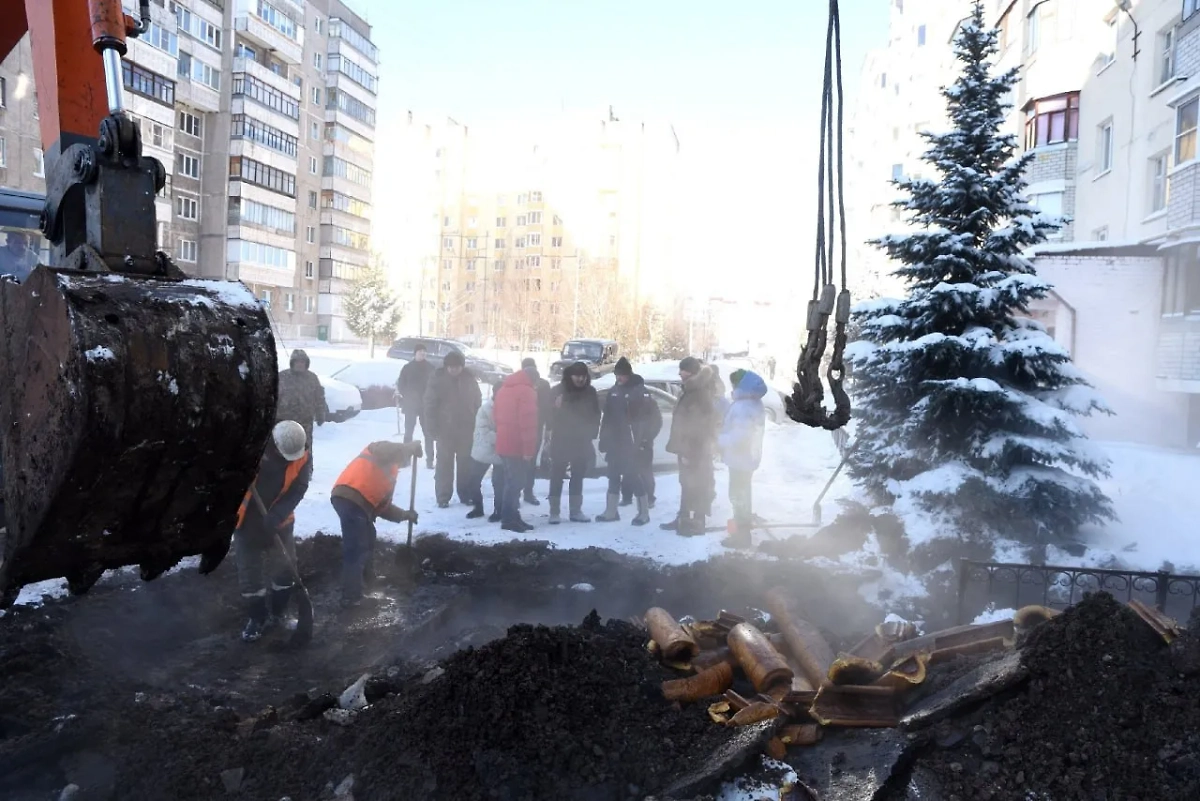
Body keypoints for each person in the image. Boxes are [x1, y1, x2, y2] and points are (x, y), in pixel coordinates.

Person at [234, 421, 312, 642]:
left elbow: (299, 488)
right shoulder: (253, 447)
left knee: (286, 568)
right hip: (246, 522)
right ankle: (257, 618)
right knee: (250, 573)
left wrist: (277, 515)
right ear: (275, 445)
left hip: (280, 521)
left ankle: (279, 613)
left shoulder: (302, 454)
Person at [330, 440, 422, 607]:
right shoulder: (381, 450)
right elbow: (386, 449)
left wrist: (404, 515)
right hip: (348, 497)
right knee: (356, 547)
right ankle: (352, 597)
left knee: (369, 535)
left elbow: (382, 508)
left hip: (358, 506)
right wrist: (409, 447)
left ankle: (368, 578)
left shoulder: (391, 475)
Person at [596, 357, 661, 526]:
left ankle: (643, 513)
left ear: (629, 374)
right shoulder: (614, 392)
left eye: (623, 375)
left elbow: (654, 419)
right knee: (613, 476)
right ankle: (611, 511)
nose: (619, 378)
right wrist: (604, 438)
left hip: (633, 443)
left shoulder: (640, 391)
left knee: (633, 476)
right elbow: (607, 418)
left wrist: (645, 439)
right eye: (617, 375)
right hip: (615, 443)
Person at [662, 356, 719, 536]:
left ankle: (697, 521)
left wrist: (689, 451)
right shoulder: (690, 390)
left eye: (683, 370)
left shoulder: (699, 393)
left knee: (697, 483)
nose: (680, 373)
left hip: (695, 449)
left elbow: (700, 426)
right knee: (686, 483)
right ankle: (684, 517)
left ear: (692, 372)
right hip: (687, 447)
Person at [423, 349, 482, 508]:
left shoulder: (470, 380)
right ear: (446, 367)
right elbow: (429, 405)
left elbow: (477, 401)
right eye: (450, 367)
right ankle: (443, 496)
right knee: (444, 465)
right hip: (445, 430)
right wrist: (432, 428)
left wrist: (477, 423)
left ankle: (465, 494)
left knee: (465, 464)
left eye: (456, 367)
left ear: (462, 367)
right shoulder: (437, 380)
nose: (453, 369)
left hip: (466, 429)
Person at [718, 370, 769, 549]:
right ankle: (741, 530)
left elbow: (740, 437)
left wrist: (718, 440)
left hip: (740, 459)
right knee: (743, 495)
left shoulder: (743, 407)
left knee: (738, 496)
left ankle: (741, 537)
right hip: (747, 458)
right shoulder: (752, 403)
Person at [547, 361, 601, 524]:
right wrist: (555, 409)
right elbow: (547, 415)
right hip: (561, 439)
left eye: (584, 376)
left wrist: (592, 433)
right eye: (577, 376)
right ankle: (554, 512)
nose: (581, 379)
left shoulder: (590, 392)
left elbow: (596, 414)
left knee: (578, 476)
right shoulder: (557, 390)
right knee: (557, 475)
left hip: (581, 440)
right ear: (570, 376)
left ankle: (575, 510)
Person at [493, 366, 539, 532]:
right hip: (516, 444)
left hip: (503, 442)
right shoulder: (527, 392)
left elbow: (495, 415)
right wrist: (528, 450)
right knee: (516, 483)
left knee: (510, 481)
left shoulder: (503, 389)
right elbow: (528, 424)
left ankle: (512, 516)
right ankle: (508, 519)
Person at [469, 379, 505, 521]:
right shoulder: (485, 409)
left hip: (502, 452)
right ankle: (478, 507)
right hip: (483, 450)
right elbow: (483, 430)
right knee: (473, 480)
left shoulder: (511, 408)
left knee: (499, 483)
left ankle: (498, 510)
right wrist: (502, 437)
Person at [276, 349, 327, 450]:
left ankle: (306, 466)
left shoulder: (312, 378)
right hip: (285, 423)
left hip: (305, 423)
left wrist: (320, 413)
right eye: (297, 361)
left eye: (302, 361)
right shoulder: (282, 377)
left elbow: (319, 397)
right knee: (285, 450)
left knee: (305, 450)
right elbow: (273, 398)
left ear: (306, 363)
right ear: (292, 362)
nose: (300, 364)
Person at [520, 358, 554, 506]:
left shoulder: (544, 385)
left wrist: (549, 428)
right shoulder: (517, 384)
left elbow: (547, 408)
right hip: (519, 427)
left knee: (531, 462)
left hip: (536, 427)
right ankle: (517, 492)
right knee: (517, 462)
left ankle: (528, 492)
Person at [396, 344, 436, 469]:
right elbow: (401, 384)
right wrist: (407, 396)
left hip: (426, 406)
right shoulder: (407, 368)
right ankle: (405, 459)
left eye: (424, 351)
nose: (423, 353)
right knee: (408, 432)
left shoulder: (431, 368)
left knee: (428, 434)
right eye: (420, 351)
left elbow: (435, 385)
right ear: (415, 353)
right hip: (411, 405)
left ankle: (430, 460)